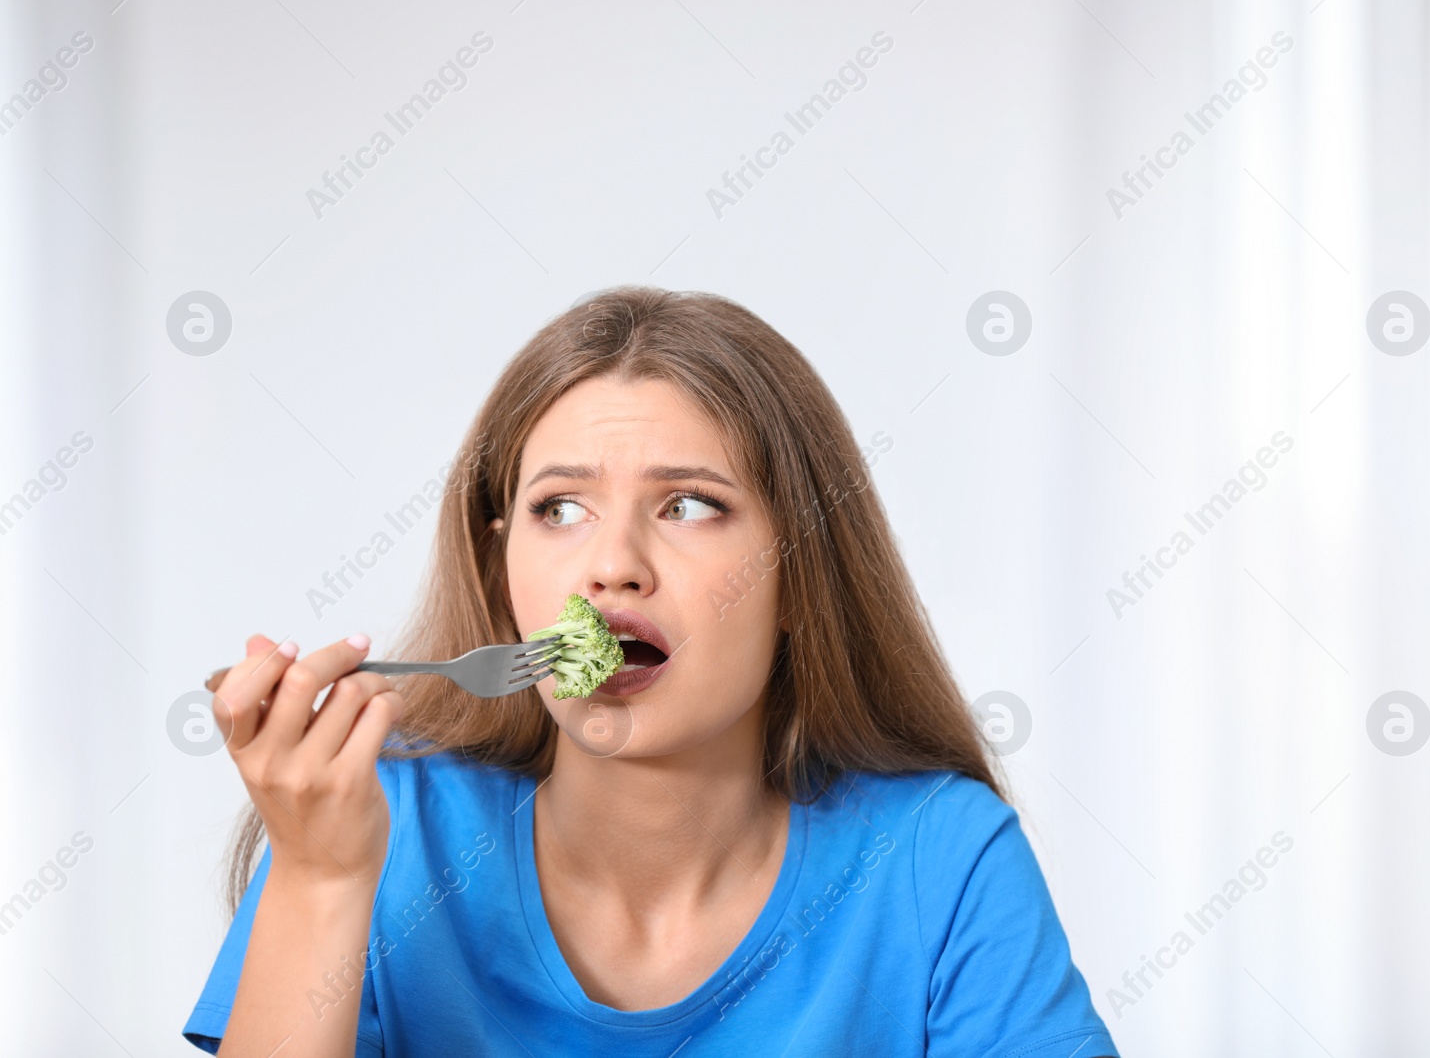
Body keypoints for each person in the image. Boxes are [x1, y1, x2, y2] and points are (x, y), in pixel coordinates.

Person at [183, 286, 1119, 1057]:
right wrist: (317, 875)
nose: (612, 562)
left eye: (688, 504)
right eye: (560, 509)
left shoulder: (938, 858)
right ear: (502, 567)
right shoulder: (379, 827)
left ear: (798, 572)